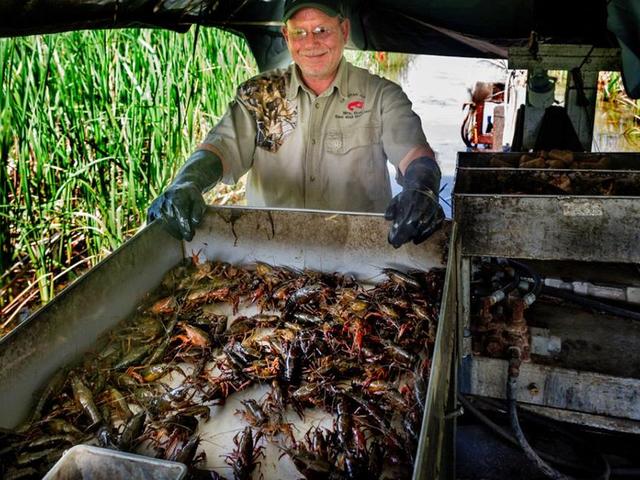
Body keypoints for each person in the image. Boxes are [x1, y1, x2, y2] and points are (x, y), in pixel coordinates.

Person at [147, 0, 444, 248]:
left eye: (321, 30)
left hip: (357, 251)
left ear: (343, 30)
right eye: (299, 33)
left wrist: (423, 189)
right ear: (286, 38)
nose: (311, 43)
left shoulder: (381, 95)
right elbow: (217, 149)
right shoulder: (259, 94)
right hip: (271, 251)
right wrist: (188, 181)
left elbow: (415, 156)